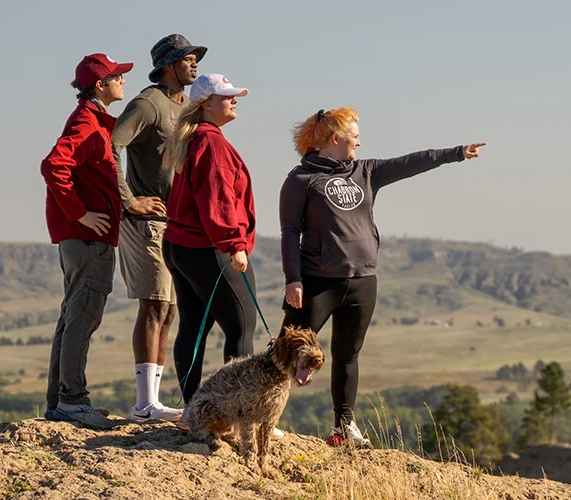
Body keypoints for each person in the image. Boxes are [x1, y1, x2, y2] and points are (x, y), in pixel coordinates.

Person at [279, 107, 486, 447]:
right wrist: (293, 278)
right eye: (355, 135)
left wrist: (456, 154)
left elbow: (410, 163)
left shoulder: (366, 171)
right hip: (317, 282)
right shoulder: (300, 181)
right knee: (285, 352)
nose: (360, 141)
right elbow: (289, 232)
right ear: (336, 139)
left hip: (363, 282)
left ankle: (343, 427)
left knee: (348, 355)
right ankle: (258, 413)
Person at [111, 34, 207, 422]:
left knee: (168, 310)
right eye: (188, 58)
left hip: (174, 222)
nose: (194, 64)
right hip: (146, 220)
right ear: (169, 65)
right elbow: (110, 145)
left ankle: (151, 401)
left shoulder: (185, 106)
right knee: (153, 306)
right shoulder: (148, 103)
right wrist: (128, 199)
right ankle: (144, 405)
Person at [40, 53, 133, 429]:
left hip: (81, 238)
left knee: (72, 316)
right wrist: (79, 213)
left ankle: (60, 401)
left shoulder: (92, 120)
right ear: (100, 85)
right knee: (84, 315)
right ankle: (73, 402)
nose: (122, 81)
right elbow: (53, 165)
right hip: (86, 238)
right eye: (117, 76)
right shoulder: (86, 123)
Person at [161, 73, 258, 431]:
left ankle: (193, 412)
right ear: (206, 104)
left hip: (180, 246)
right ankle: (240, 414)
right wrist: (234, 244)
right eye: (226, 96)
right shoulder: (212, 144)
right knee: (242, 326)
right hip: (209, 248)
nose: (234, 101)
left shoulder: (195, 139)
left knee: (193, 328)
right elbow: (217, 200)